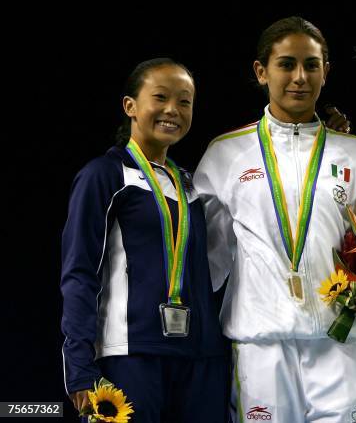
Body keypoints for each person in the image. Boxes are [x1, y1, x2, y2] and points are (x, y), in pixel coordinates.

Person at [194, 17, 356, 423]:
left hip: (341, 341)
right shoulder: (225, 154)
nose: (299, 77)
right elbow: (207, 256)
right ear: (261, 72)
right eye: (286, 64)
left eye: (311, 65)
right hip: (262, 344)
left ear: (326, 72)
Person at [60, 58, 229, 422]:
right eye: (161, 97)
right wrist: (78, 366)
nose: (173, 110)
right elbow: (79, 273)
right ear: (130, 106)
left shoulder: (191, 184)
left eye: (185, 101)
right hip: (130, 354)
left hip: (200, 359)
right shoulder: (103, 176)